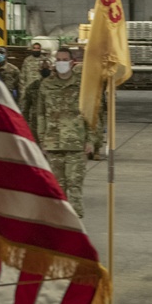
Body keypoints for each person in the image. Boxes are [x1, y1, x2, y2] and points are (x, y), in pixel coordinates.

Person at [37, 48, 95, 217]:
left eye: (64, 59)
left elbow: (91, 115)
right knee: (57, 188)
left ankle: (76, 224)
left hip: (76, 143)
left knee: (75, 185)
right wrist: (41, 140)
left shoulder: (82, 85)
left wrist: (91, 140)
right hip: (53, 143)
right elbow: (40, 114)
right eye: (59, 59)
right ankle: (60, 224)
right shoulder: (46, 85)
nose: (61, 62)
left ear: (71, 62)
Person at [21, 59, 53, 143]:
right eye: (43, 67)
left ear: (51, 68)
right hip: (36, 125)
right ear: (39, 70)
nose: (45, 69)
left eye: (47, 67)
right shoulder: (32, 87)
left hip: (53, 125)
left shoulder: (58, 85)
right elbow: (25, 109)